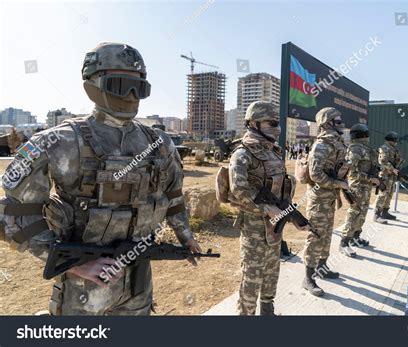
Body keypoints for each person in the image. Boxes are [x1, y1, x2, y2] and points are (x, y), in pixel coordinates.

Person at [0, 42, 201, 315]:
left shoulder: (159, 143)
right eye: (121, 84)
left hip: (138, 283)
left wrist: (185, 236)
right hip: (84, 288)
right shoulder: (59, 141)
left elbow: (173, 196)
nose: (131, 96)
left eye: (139, 88)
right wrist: (72, 264)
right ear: (93, 83)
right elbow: (16, 213)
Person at [228, 101, 298, 315]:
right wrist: (267, 209)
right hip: (254, 227)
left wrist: (291, 214)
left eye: (278, 123)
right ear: (254, 123)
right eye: (272, 123)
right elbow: (238, 189)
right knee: (252, 277)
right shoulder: (243, 154)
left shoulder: (274, 152)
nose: (277, 128)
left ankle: (267, 309)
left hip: (274, 226)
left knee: (271, 271)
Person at [302, 107, 348, 297]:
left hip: (329, 198)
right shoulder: (321, 145)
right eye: (338, 121)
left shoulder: (336, 143)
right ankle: (308, 278)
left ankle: (322, 268)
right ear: (327, 123)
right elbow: (315, 174)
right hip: (318, 200)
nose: (342, 124)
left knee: (327, 234)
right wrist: (337, 183)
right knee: (315, 237)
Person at [340, 124, 382, 257]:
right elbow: (351, 172)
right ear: (361, 135)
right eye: (366, 133)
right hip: (357, 186)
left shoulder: (366, 149)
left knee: (362, 212)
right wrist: (370, 178)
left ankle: (356, 237)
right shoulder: (355, 149)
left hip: (366, 187)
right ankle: (344, 242)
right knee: (354, 212)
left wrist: (374, 177)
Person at [373, 131, 402, 223]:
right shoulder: (384, 148)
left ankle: (385, 212)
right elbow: (383, 161)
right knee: (382, 194)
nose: (396, 142)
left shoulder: (393, 148)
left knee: (389, 194)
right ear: (392, 140)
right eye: (395, 140)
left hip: (391, 176)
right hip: (385, 175)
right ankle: (377, 215)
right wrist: (393, 169)